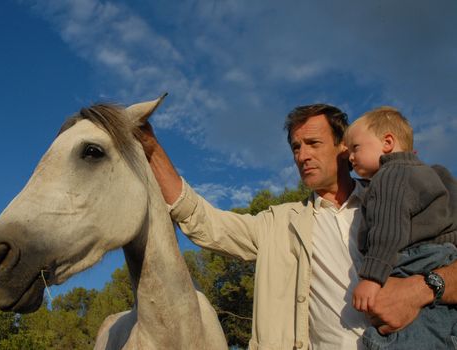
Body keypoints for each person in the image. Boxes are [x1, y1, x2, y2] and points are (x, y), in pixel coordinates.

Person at [138, 103, 457, 349]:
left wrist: (422, 289)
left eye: (313, 143)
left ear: (343, 147)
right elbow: (204, 222)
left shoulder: (402, 196)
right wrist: (152, 149)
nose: (302, 155)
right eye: (295, 146)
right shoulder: (277, 224)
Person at [344, 106, 457, 349]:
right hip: (443, 257)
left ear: (387, 143)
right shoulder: (437, 173)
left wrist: (372, 277)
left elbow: (388, 230)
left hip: (412, 260)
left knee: (405, 338)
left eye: (355, 148)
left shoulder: (389, 175)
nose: (350, 157)